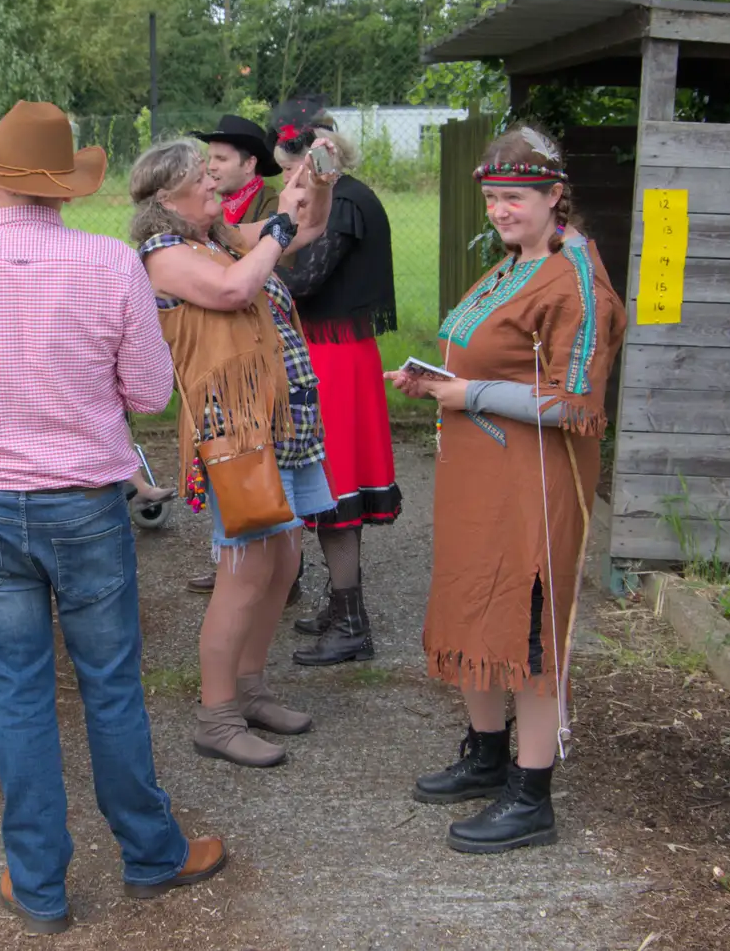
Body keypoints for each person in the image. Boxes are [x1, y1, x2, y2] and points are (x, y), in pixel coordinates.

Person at [0, 101, 226, 934]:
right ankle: (150, 853)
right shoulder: (110, 265)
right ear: (66, 188)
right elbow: (151, 393)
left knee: (19, 692)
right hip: (83, 500)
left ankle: (38, 882)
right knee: (110, 684)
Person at [386, 125, 624, 854]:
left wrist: (470, 392)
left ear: (555, 197)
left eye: (515, 198)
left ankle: (531, 795)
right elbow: (488, 363)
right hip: (478, 483)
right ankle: (486, 757)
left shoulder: (575, 280)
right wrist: (439, 385)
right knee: (474, 609)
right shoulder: (512, 265)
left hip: (533, 486)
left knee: (529, 633)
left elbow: (575, 400)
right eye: (492, 198)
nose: (500, 210)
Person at [130, 138, 335, 767]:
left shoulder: (217, 239)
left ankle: (249, 691)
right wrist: (273, 227)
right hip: (235, 432)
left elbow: (311, 225)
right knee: (245, 570)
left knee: (281, 562)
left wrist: (316, 179)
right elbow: (232, 292)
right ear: (168, 197)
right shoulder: (164, 253)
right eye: (203, 178)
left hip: (281, 424)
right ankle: (215, 717)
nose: (216, 185)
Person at [267, 102, 403, 667]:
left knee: (335, 486)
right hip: (334, 354)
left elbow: (308, 280)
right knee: (331, 486)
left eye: (288, 171)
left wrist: (255, 269)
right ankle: (342, 606)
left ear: (307, 161)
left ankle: (351, 621)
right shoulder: (347, 195)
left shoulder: (345, 203)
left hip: (335, 359)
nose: (288, 185)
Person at [182, 113, 285, 594]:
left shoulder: (225, 224)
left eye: (219, 160)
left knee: (273, 537)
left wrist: (312, 190)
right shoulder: (173, 244)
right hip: (227, 400)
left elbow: (302, 226)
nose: (211, 172)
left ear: (250, 164)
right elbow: (233, 291)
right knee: (245, 550)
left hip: (255, 386)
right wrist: (275, 239)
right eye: (205, 166)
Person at [195, 113, 283, 225]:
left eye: (221, 159)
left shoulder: (273, 208)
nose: (211, 166)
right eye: (210, 158)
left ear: (249, 164)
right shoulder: (213, 208)